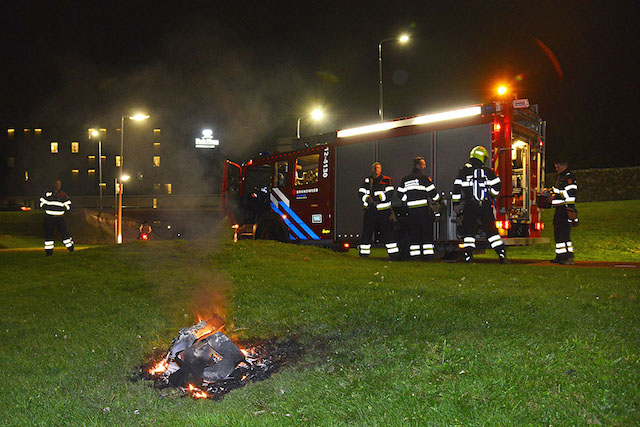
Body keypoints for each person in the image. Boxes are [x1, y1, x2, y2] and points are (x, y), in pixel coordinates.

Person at [452, 146, 506, 263]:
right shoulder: (487, 171)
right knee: (491, 231)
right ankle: (501, 254)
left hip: (470, 205)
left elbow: (456, 189)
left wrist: (455, 204)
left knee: (469, 232)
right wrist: (490, 196)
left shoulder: (464, 171)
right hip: (485, 205)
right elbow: (497, 186)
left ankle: (468, 257)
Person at [397, 157, 441, 260]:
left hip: (411, 211)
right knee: (426, 233)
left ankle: (415, 256)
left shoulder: (406, 179)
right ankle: (428, 256)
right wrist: (439, 199)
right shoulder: (424, 178)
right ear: (417, 165)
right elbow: (433, 194)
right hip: (423, 210)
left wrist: (408, 200)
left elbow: (399, 194)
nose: (424, 166)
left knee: (414, 234)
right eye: (423, 164)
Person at [358, 162, 400, 260]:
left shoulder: (386, 180)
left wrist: (376, 199)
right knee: (367, 233)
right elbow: (360, 193)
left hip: (383, 212)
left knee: (388, 233)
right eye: (374, 168)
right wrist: (368, 199)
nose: (375, 169)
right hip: (370, 211)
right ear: (371, 169)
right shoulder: (367, 180)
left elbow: (389, 193)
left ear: (381, 169)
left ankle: (394, 255)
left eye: (377, 168)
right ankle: (364, 255)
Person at [550, 161, 578, 264]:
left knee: (564, 234)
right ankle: (560, 256)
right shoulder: (561, 178)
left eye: (558, 166)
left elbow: (570, 193)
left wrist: (555, 196)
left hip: (566, 209)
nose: (556, 169)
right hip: (559, 209)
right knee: (558, 233)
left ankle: (568, 257)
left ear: (565, 165)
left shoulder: (569, 177)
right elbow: (559, 192)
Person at [39, 179, 74, 256]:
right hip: (49, 217)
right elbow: (41, 203)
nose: (57, 185)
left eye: (59, 184)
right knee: (48, 235)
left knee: (65, 234)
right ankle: (49, 252)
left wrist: (61, 208)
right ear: (53, 184)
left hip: (60, 217)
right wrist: (49, 207)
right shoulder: (47, 193)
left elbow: (68, 205)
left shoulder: (63, 194)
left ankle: (71, 248)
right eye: (56, 184)